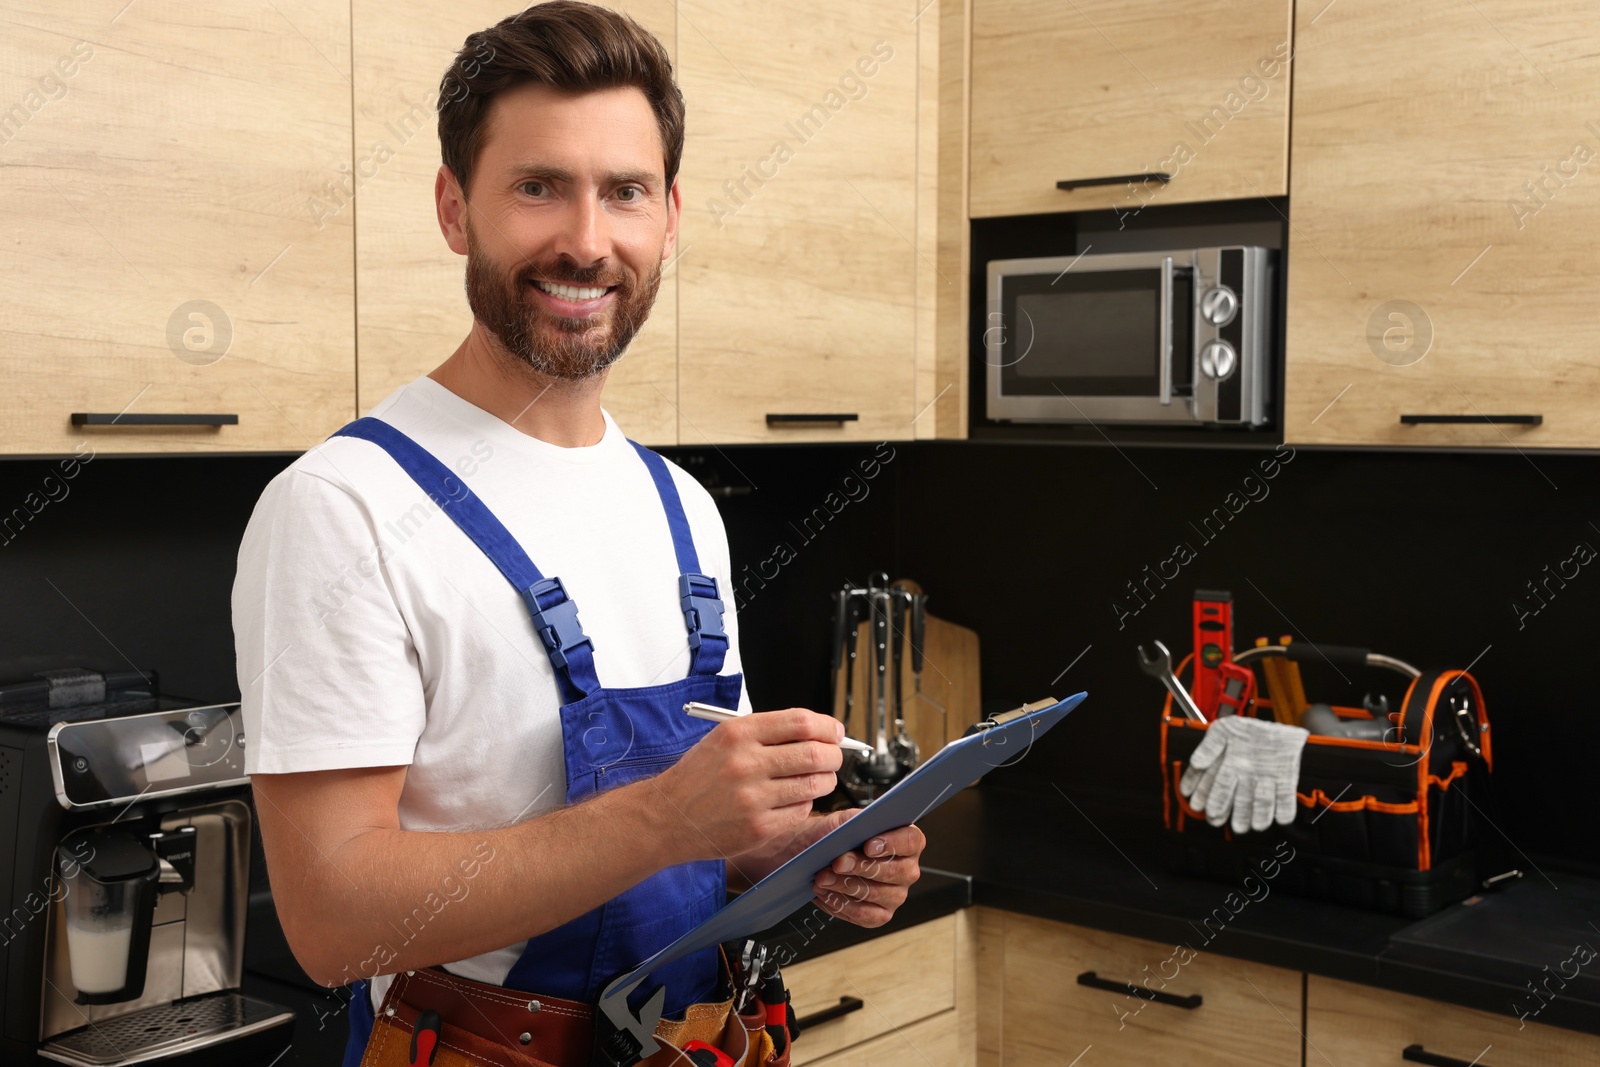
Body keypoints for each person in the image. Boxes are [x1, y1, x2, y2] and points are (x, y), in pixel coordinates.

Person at [231, 3, 926, 1065]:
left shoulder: (681, 507)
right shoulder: (343, 508)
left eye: (624, 192)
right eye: (537, 186)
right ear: (455, 209)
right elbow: (330, 921)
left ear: (671, 214)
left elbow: (696, 843)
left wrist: (792, 852)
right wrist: (664, 818)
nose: (587, 242)